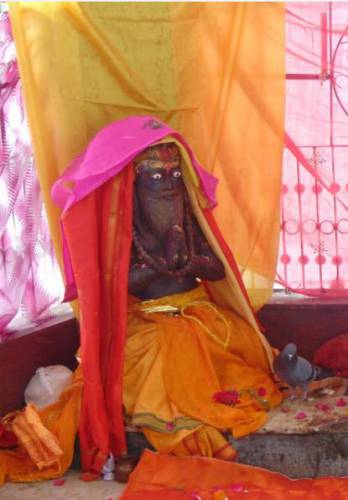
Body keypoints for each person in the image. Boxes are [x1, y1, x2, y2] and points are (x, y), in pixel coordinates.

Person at [0, 116, 283, 484]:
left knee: (242, 338)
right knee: (168, 345)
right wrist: (164, 262)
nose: (168, 184)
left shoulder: (187, 212)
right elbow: (116, 281)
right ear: (134, 183)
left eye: (174, 175)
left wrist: (190, 260)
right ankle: (175, 421)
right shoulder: (125, 223)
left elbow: (216, 268)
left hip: (197, 308)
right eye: (156, 176)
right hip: (149, 320)